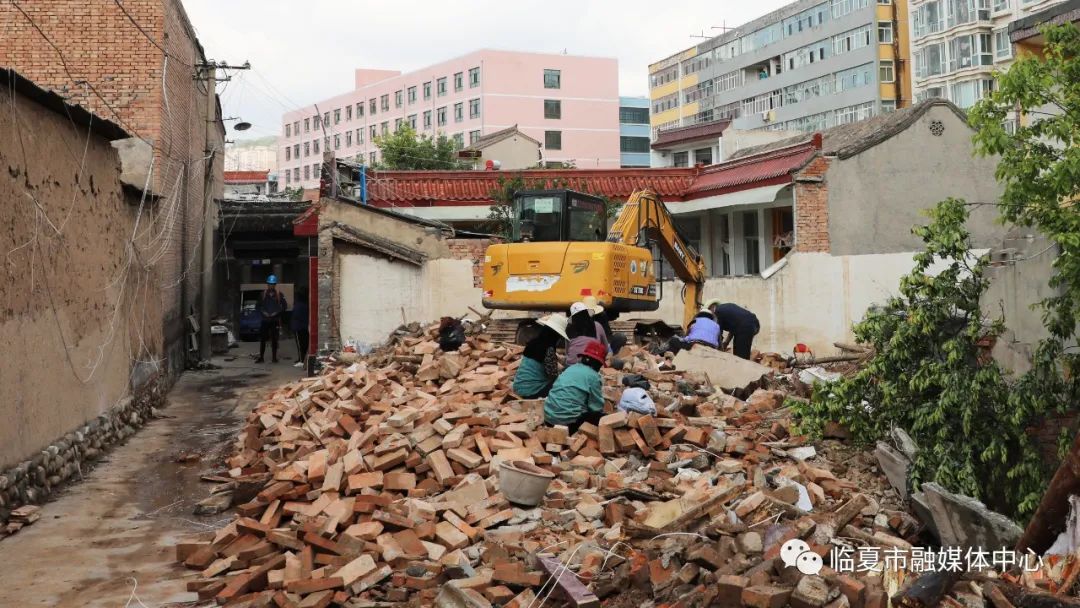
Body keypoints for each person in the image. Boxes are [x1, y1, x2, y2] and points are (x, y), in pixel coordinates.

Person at [543, 338, 607, 435]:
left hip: (549, 419)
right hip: (569, 424)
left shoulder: (570, 369)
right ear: (598, 363)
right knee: (602, 418)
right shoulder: (593, 376)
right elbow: (596, 406)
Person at [512, 314, 568, 398]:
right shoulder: (548, 350)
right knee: (564, 384)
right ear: (555, 335)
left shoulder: (533, 343)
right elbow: (552, 374)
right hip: (533, 391)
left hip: (519, 388)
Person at [256, 275, 287, 363]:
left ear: (275, 284)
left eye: (273, 284)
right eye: (270, 284)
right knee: (263, 339)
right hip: (265, 320)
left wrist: (276, 313)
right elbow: (258, 306)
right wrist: (263, 312)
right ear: (267, 284)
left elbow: (284, 306)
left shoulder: (279, 295)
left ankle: (274, 358)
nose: (271, 286)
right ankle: (261, 357)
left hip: (274, 320)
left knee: (274, 339)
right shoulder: (263, 294)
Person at [291, 288, 309, 369]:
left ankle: (301, 361)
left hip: (299, 327)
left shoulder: (299, 305)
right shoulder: (306, 304)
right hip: (304, 326)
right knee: (304, 344)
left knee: (300, 345)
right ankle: (301, 359)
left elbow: (296, 315)